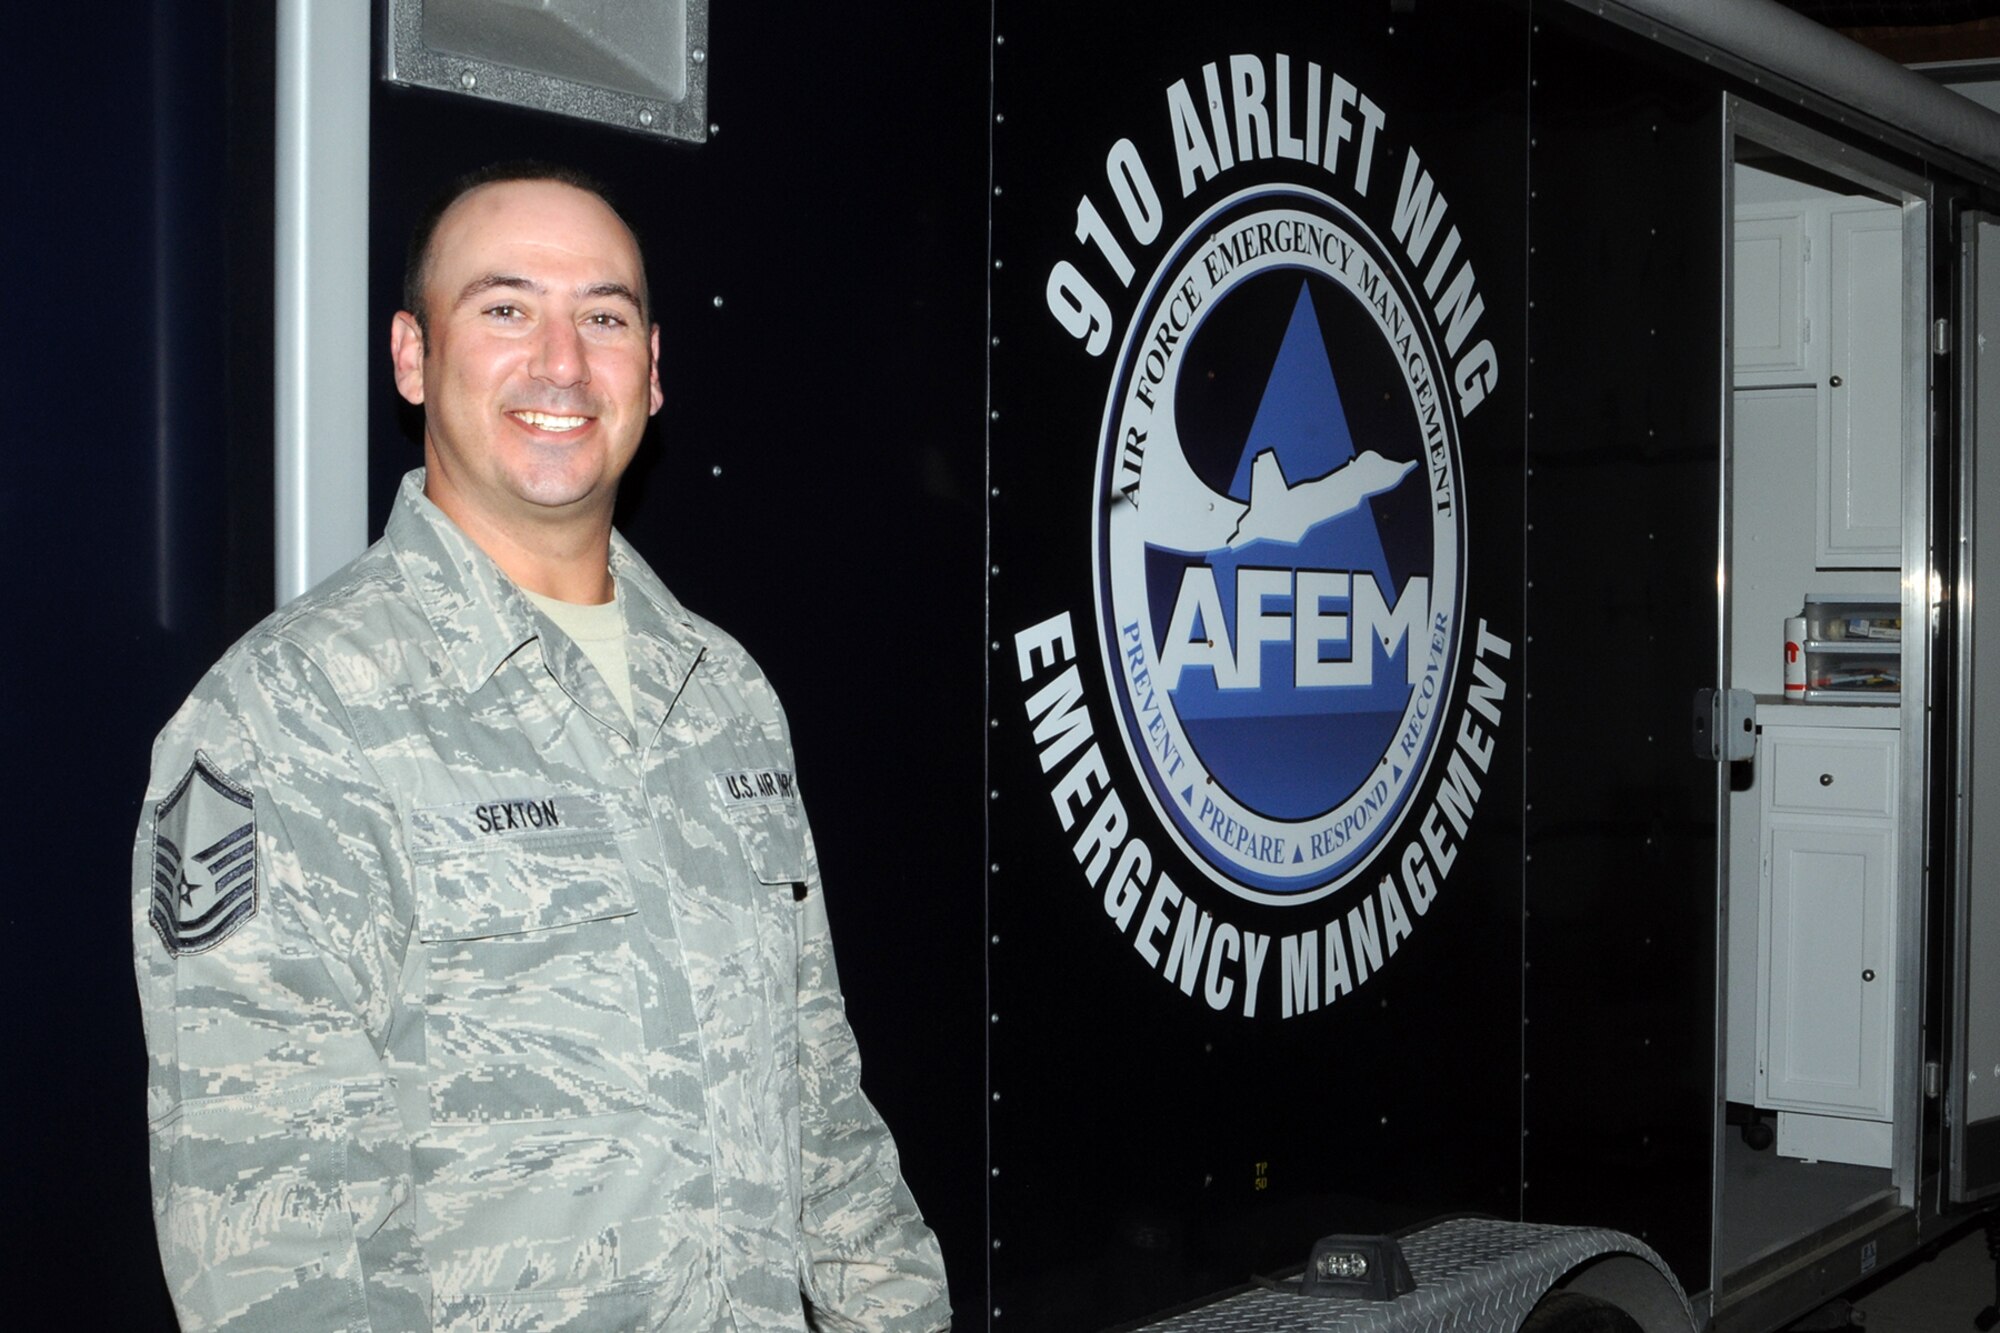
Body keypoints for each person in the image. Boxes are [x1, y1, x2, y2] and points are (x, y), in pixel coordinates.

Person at [133, 162, 950, 1332]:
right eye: (506, 308)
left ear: (653, 372)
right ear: (413, 357)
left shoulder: (724, 696)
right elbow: (271, 1239)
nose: (562, 363)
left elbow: (816, 1090)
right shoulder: (286, 717)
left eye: (604, 317)